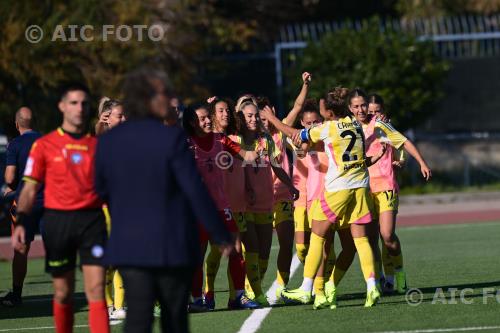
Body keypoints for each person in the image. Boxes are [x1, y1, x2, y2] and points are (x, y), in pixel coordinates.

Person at [94, 68, 233, 333]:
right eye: (165, 94)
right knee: (174, 319)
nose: (171, 99)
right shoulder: (170, 138)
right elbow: (194, 189)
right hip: (170, 242)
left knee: (137, 318)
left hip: (128, 244)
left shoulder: (108, 142)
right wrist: (219, 232)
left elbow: (99, 190)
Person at [260, 87, 386, 309]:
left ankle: (306, 288)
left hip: (339, 188)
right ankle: (372, 284)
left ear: (328, 112)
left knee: (317, 236)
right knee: (361, 239)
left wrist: (271, 118)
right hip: (361, 185)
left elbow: (296, 135)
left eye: (321, 108)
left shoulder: (327, 128)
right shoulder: (355, 124)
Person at [12, 84, 110, 333]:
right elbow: (29, 188)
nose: (79, 108)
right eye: (74, 103)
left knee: (96, 289)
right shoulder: (44, 146)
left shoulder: (98, 147)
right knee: (63, 291)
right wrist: (22, 221)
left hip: (92, 223)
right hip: (59, 223)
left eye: (84, 104)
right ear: (62, 106)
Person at [183, 103, 260, 311]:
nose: (208, 121)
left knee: (236, 251)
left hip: (220, 208)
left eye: (209, 117)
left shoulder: (220, 139)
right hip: (196, 211)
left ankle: (237, 297)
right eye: (202, 118)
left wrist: (258, 147)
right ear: (192, 122)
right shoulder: (185, 144)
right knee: (196, 257)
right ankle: (197, 300)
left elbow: (247, 155)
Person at [360, 92, 431, 293]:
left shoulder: (383, 126)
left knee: (387, 234)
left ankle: (398, 272)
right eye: (368, 109)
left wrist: (421, 163)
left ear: (383, 112)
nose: (370, 113)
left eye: (376, 110)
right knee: (372, 239)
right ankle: (383, 279)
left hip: (386, 186)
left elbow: (404, 143)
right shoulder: (353, 127)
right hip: (364, 188)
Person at [233, 96, 298, 306]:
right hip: (245, 204)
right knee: (250, 247)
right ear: (241, 118)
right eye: (249, 116)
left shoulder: (266, 140)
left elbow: (277, 165)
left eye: (255, 116)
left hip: (265, 201)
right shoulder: (235, 139)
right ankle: (253, 293)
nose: (254, 119)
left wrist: (290, 184)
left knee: (263, 253)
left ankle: (254, 288)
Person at [2, 107, 43, 307]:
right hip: (49, 201)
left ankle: (16, 295)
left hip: (25, 202)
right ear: (33, 122)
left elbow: (10, 178)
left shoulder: (15, 144)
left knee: (21, 248)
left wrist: (12, 190)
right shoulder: (47, 141)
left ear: (17, 124)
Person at [94, 97, 127, 320]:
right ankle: (107, 305)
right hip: (104, 207)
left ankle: (119, 306)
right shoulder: (101, 141)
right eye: (120, 116)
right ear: (107, 119)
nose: (125, 119)